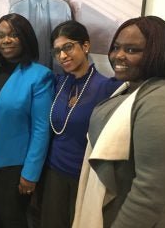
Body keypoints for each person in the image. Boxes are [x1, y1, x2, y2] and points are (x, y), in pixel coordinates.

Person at [73, 16, 165, 228]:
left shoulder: (161, 99)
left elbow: (150, 192)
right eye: (116, 47)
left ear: (159, 52)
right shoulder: (131, 87)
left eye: (132, 50)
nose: (118, 56)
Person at [0, 13, 54, 228]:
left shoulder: (40, 76)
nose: (6, 40)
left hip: (15, 164)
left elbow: (41, 129)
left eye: (13, 35)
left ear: (26, 38)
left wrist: (30, 173)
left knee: (12, 218)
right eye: (1, 36)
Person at [40, 21, 121, 228]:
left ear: (85, 46)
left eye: (68, 47)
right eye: (57, 51)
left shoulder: (106, 87)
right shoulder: (59, 83)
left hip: (84, 175)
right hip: (54, 172)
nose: (63, 56)